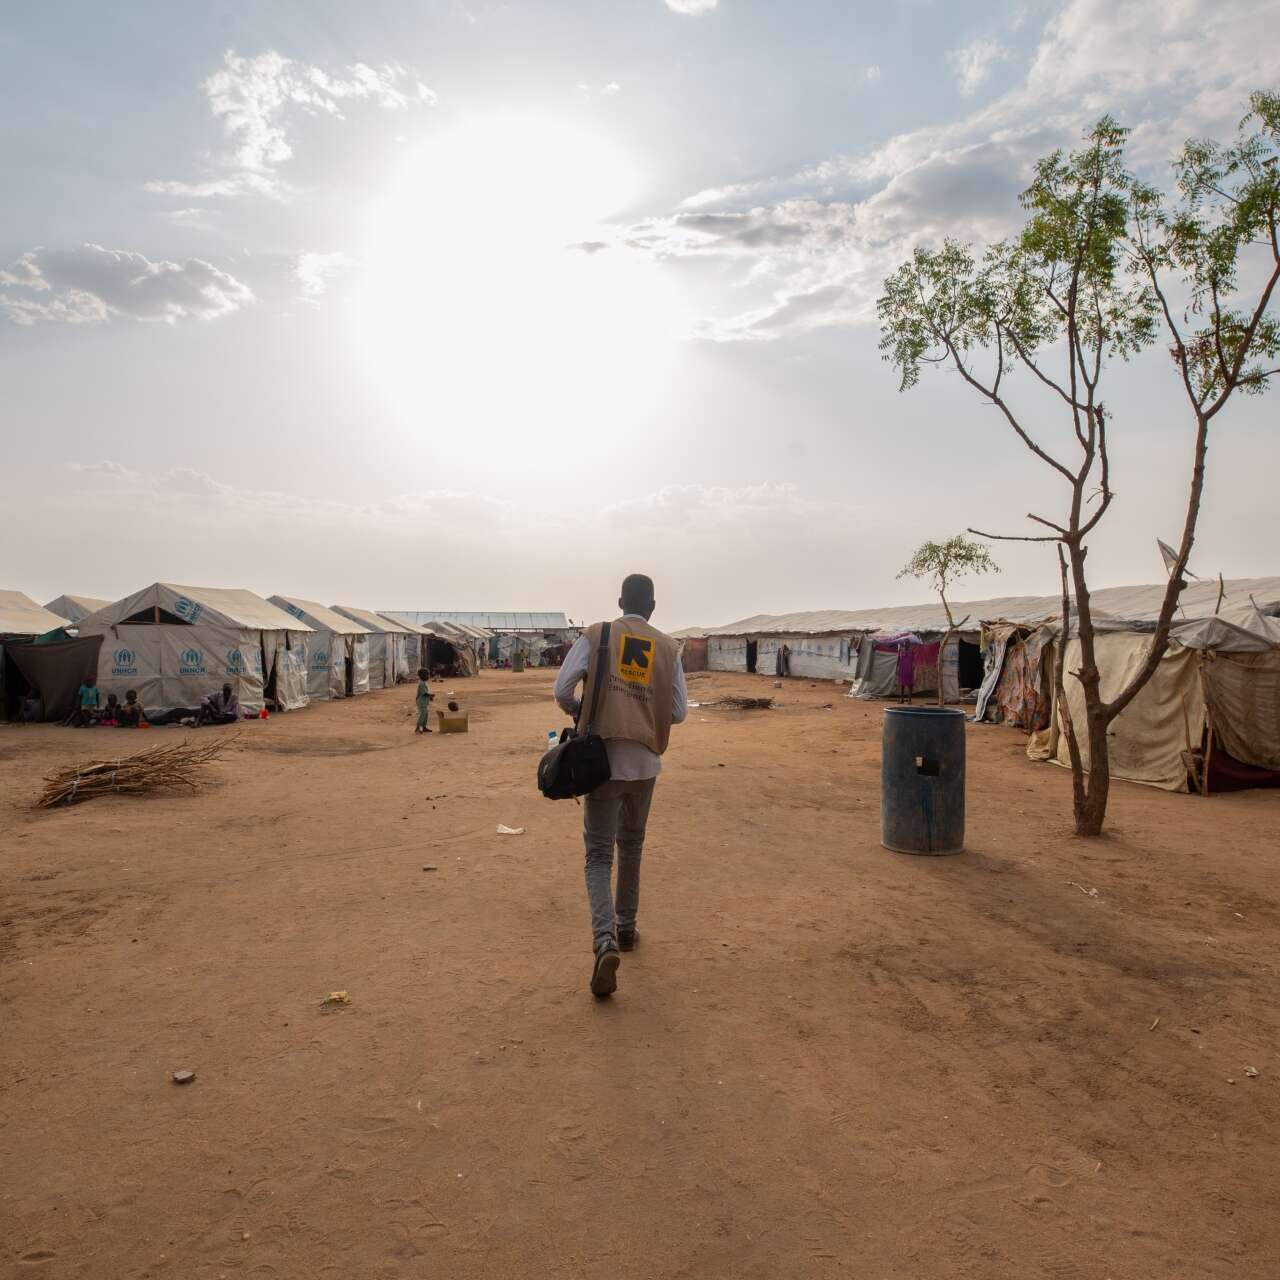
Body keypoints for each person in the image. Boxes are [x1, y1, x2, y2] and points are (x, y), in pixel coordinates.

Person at [554, 573, 687, 998]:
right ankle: (627, 930)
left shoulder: (597, 635)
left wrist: (584, 709)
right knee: (632, 845)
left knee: (597, 856)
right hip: (646, 763)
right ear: (652, 606)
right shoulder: (669, 647)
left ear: (619, 601)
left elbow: (561, 689)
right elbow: (679, 712)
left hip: (602, 760)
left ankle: (604, 941)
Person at [415, 667, 434, 733]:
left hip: (424, 702)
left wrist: (430, 697)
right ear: (422, 676)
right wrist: (430, 695)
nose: (428, 676)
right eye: (427, 675)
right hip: (421, 702)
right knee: (422, 714)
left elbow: (426, 692)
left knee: (425, 715)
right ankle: (418, 727)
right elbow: (424, 693)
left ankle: (424, 727)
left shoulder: (424, 683)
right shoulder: (422, 684)